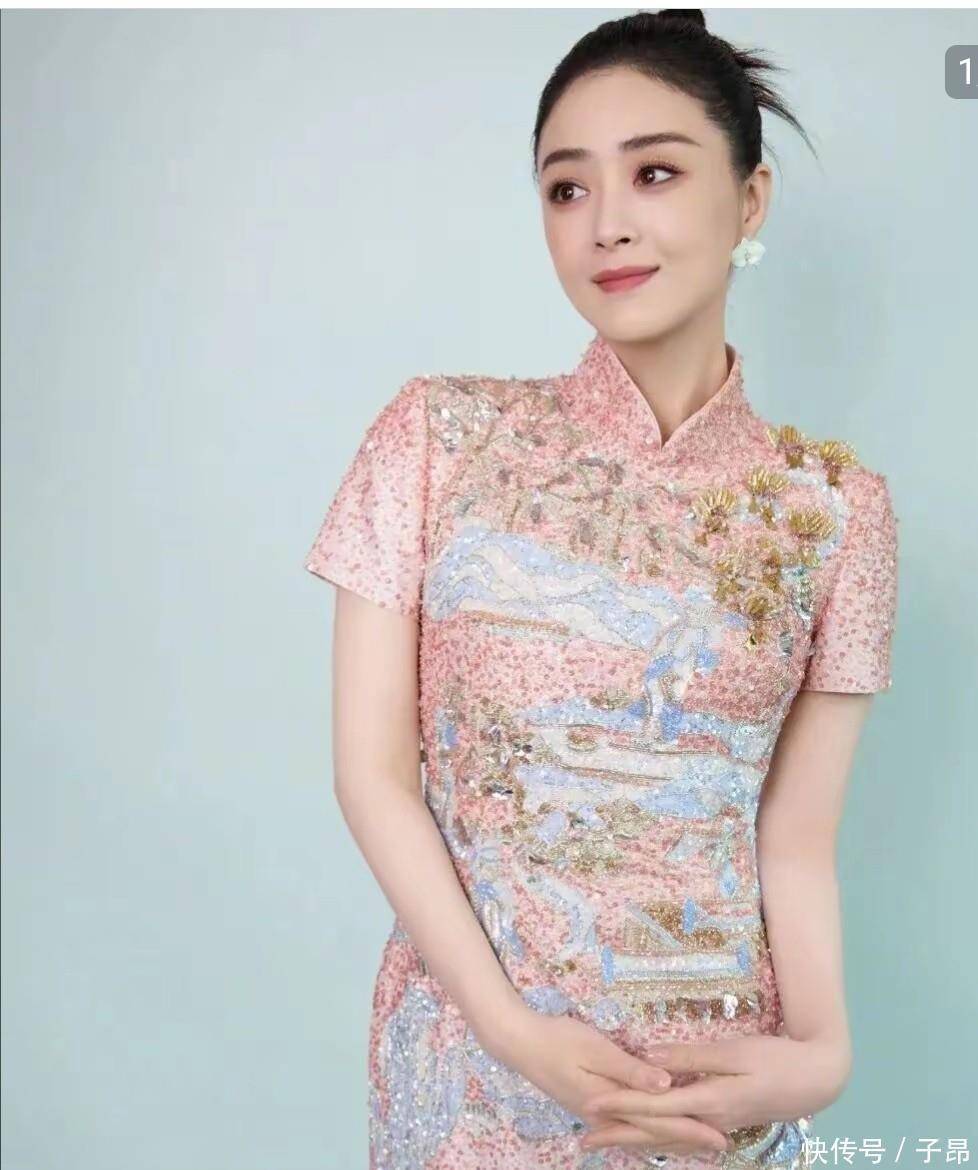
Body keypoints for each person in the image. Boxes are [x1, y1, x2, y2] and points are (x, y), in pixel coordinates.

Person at [301, 10, 899, 1169]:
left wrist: (823, 1055)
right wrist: (510, 1030)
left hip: (717, 1095)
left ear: (751, 200)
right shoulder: (436, 439)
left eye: (655, 173)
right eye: (566, 189)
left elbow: (794, 838)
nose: (606, 223)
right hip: (477, 1071)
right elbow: (373, 779)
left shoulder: (834, 511)